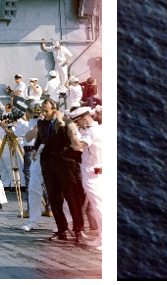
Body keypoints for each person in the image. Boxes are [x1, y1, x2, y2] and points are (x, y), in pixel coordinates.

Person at [39, 100, 86, 244]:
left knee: (72, 198)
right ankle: (62, 229)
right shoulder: (42, 123)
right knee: (54, 198)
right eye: (42, 110)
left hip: (65, 164)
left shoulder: (67, 122)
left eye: (46, 110)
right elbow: (44, 140)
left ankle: (78, 229)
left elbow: (69, 141)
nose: (43, 113)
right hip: (49, 164)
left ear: (55, 110)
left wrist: (60, 123)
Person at [71, 105, 105, 248]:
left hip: (92, 174)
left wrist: (72, 131)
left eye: (78, 122)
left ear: (84, 120)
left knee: (99, 207)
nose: (78, 125)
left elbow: (77, 146)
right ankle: (102, 237)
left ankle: (104, 239)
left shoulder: (90, 132)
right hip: (99, 171)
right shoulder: (100, 128)